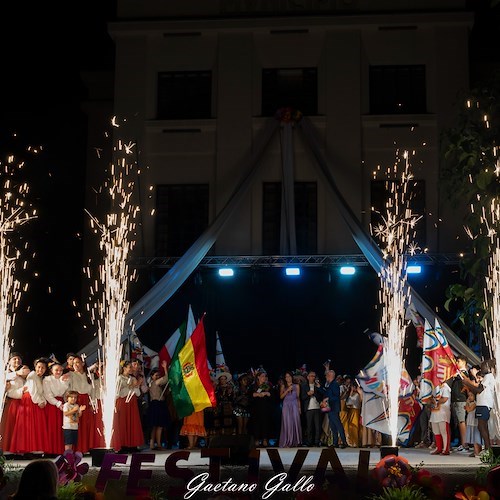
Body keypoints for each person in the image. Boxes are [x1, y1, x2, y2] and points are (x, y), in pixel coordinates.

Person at [10, 358, 50, 454]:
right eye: (39, 367)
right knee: (28, 425)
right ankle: (26, 449)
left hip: (34, 401)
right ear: (35, 367)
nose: (40, 369)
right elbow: (33, 391)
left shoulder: (41, 378)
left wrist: (43, 401)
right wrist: (40, 402)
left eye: (43, 368)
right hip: (30, 400)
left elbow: (41, 393)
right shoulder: (32, 375)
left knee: (35, 425)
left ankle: (33, 449)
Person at [68, 354, 104, 453]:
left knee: (87, 425)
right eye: (74, 363)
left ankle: (88, 447)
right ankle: (78, 448)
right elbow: (69, 389)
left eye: (78, 363)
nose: (76, 365)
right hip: (76, 400)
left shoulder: (89, 375)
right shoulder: (71, 375)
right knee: (76, 425)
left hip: (87, 401)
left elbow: (92, 390)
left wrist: (92, 404)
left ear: (83, 363)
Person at [462, 359, 496, 454]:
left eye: (483, 366)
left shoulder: (488, 377)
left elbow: (479, 390)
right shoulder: (486, 377)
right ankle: (487, 448)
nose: (481, 368)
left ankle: (488, 449)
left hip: (485, 404)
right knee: (482, 427)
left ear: (488, 367)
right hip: (482, 404)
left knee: (482, 426)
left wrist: (468, 383)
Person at [113, 360, 146, 451]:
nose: (131, 369)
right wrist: (130, 385)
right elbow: (117, 392)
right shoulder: (119, 378)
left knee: (133, 422)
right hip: (123, 401)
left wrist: (137, 385)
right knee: (123, 422)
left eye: (132, 367)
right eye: (130, 367)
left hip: (132, 402)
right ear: (124, 368)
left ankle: (133, 445)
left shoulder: (133, 378)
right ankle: (123, 445)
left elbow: (138, 393)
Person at [43, 361, 71, 455]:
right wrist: (58, 403)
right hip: (52, 405)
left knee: (61, 427)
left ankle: (60, 450)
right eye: (56, 370)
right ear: (51, 370)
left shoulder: (64, 379)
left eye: (60, 370)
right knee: (52, 427)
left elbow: (65, 393)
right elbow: (47, 394)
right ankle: (50, 450)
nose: (59, 372)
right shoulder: (47, 379)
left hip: (62, 405)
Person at [2, 363, 29, 452]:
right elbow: (10, 391)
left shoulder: (26, 379)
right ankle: (8, 450)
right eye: (23, 369)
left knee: (22, 429)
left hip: (24, 405)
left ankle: (20, 450)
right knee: (10, 427)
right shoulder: (9, 376)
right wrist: (22, 391)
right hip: (13, 404)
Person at [446, 355, 469, 452]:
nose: (456, 363)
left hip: (461, 400)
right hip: (455, 399)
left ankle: (465, 445)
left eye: (458, 361)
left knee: (462, 422)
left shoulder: (464, 373)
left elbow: (464, 379)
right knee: (458, 423)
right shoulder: (457, 374)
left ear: (463, 362)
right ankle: (462, 443)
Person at [319, 369, 347, 448]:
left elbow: (336, 396)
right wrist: (320, 388)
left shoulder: (334, 384)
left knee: (338, 425)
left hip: (334, 407)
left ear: (330, 376)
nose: (326, 377)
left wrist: (327, 399)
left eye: (327, 375)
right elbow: (326, 392)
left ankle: (344, 441)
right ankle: (335, 442)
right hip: (330, 408)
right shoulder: (331, 385)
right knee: (332, 426)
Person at [147, 360, 169, 450]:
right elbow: (166, 378)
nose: (158, 377)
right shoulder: (155, 383)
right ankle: (158, 444)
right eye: (156, 375)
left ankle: (153, 443)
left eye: (158, 375)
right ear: (152, 376)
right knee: (158, 425)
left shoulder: (152, 384)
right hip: (157, 405)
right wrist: (165, 368)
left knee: (155, 425)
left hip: (155, 404)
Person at [250, 369, 275, 447]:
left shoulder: (268, 386)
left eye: (265, 376)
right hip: (256, 409)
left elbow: (273, 396)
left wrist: (267, 393)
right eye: (262, 376)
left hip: (265, 409)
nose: (264, 378)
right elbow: (250, 395)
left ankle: (265, 439)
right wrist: (257, 394)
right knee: (256, 424)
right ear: (258, 377)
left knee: (265, 423)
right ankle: (257, 439)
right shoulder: (253, 386)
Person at [279, 371, 302, 447]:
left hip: (294, 404)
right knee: (287, 422)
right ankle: (287, 441)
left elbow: (298, 397)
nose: (288, 378)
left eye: (289, 376)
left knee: (295, 421)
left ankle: (296, 441)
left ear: (292, 377)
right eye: (286, 377)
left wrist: (299, 407)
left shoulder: (297, 386)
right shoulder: (283, 386)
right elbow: (281, 397)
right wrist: (287, 390)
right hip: (286, 405)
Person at [429, 380, 452, 455]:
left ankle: (446, 449)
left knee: (444, 431)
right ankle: (438, 448)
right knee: (436, 431)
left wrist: (436, 401)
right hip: (435, 412)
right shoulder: (435, 388)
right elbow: (431, 397)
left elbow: (445, 399)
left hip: (443, 412)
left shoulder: (445, 388)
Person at [300, 371, 322, 447]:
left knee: (317, 426)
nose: (313, 377)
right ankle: (309, 442)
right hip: (308, 408)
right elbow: (302, 397)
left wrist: (318, 389)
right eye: (311, 376)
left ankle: (317, 441)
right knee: (309, 426)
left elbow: (321, 396)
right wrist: (308, 394)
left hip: (317, 408)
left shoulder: (317, 385)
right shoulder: (304, 386)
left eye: (314, 376)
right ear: (308, 377)